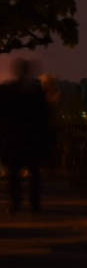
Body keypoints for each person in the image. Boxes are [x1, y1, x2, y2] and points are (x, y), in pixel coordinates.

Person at [1, 59, 56, 211]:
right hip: (33, 138)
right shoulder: (37, 92)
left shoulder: (8, 90)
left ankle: (15, 202)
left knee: (14, 174)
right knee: (35, 173)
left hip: (14, 139)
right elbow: (46, 116)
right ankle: (35, 203)